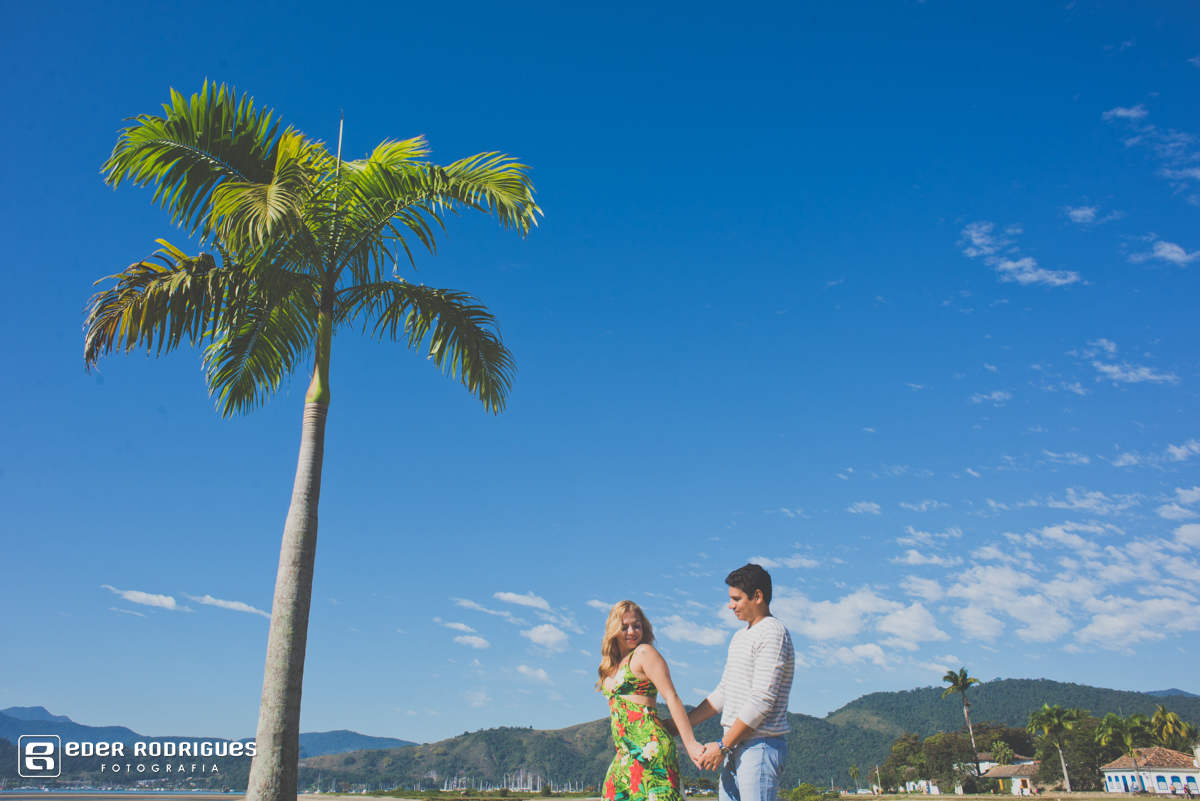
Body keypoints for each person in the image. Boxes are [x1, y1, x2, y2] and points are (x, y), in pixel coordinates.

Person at [666, 564, 795, 801]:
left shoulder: (773, 632)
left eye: (736, 599)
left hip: (760, 745)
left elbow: (761, 702)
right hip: (733, 746)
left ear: (758, 596)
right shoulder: (739, 637)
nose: (730, 605)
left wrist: (722, 746)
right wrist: (679, 725)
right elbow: (723, 693)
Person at [597, 600, 705, 801]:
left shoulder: (644, 653)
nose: (632, 632)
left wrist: (690, 744)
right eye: (624, 627)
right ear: (613, 630)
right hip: (624, 753)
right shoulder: (610, 666)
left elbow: (672, 697)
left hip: (650, 750)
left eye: (636, 626)